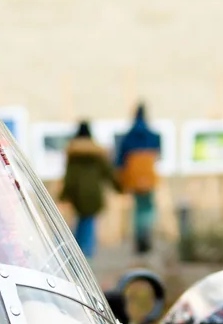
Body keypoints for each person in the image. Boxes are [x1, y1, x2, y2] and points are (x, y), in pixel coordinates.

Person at [59, 120, 113, 257]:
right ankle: (86, 254)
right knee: (88, 222)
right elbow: (108, 172)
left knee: (81, 221)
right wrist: (119, 186)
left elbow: (69, 177)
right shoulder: (97, 153)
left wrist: (64, 195)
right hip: (94, 193)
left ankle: (77, 252)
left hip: (78, 194)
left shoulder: (73, 154)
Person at [116, 102, 162, 255]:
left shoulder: (128, 136)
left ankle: (139, 239)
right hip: (149, 176)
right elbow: (159, 154)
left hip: (134, 177)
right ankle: (147, 236)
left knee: (137, 208)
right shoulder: (153, 135)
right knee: (148, 207)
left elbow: (120, 160)